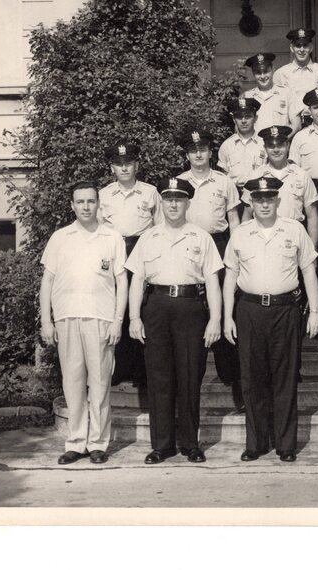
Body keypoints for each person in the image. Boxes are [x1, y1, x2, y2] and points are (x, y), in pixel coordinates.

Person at [223, 176, 318, 462]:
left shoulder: (294, 229)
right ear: (251, 203)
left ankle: (285, 443)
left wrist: (314, 311)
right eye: (258, 200)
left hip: (285, 311)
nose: (264, 204)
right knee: (252, 379)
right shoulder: (240, 233)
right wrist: (228, 316)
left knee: (285, 376)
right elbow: (230, 275)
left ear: (278, 201)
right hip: (249, 310)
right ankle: (256, 442)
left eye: (269, 199)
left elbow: (309, 271)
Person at [126, 177, 223, 465]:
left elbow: (213, 281)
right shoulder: (149, 237)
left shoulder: (201, 237)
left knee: (190, 376)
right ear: (162, 203)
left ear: (187, 203)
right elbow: (137, 280)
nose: (173, 204)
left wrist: (215, 318)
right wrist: (134, 317)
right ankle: (162, 445)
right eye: (168, 199)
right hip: (155, 307)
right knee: (159, 377)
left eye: (179, 199)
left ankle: (191, 443)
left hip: (191, 307)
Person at [39, 181, 128, 465]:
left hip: (100, 318)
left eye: (91, 201)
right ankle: (76, 442)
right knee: (73, 382)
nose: (86, 207)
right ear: (72, 205)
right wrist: (47, 321)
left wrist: (117, 321)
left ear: (98, 204)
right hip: (66, 318)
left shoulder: (111, 237)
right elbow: (47, 282)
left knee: (100, 383)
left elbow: (121, 281)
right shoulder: (60, 237)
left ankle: (98, 443)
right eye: (80, 202)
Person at [176, 129, 243, 402]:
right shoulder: (178, 182)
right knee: (195, 306)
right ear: (187, 155)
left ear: (210, 152)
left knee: (226, 304)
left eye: (203, 148)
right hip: (188, 245)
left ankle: (230, 374)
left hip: (220, 242)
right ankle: (193, 374)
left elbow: (234, 219)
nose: (199, 154)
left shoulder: (224, 181)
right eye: (193, 150)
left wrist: (236, 250)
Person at [97, 142, 160, 387]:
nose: (124, 168)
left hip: (142, 249)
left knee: (142, 308)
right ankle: (119, 368)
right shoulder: (104, 194)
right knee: (116, 306)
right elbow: (100, 230)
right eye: (119, 164)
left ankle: (142, 371)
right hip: (115, 250)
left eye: (129, 163)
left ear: (137, 165)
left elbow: (158, 227)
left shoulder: (150, 192)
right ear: (112, 167)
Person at [241, 125, 318, 249]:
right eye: (271, 146)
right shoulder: (255, 176)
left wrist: (312, 251)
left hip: (294, 238)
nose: (276, 150)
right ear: (265, 148)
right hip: (262, 239)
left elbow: (312, 216)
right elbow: (246, 215)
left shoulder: (301, 175)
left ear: (288, 146)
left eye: (280, 145)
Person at [273, 28, 318, 127]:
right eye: (298, 46)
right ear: (291, 48)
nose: (301, 50)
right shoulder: (281, 74)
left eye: (305, 46)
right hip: (291, 125)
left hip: (317, 124)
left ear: (311, 47)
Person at [217, 97, 268, 196]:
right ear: (234, 119)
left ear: (255, 118)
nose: (243, 121)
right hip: (235, 194)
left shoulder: (264, 143)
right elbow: (223, 176)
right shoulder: (227, 145)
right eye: (239, 117)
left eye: (248, 116)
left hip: (259, 193)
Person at [242, 52, 301, 136]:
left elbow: (297, 125)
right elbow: (240, 127)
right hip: (255, 147)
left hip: (280, 147)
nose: (262, 76)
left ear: (273, 69)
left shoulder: (287, 93)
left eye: (266, 71)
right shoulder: (247, 96)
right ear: (253, 74)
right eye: (258, 73)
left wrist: (282, 141)